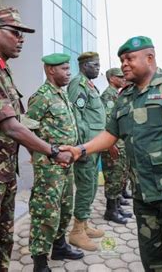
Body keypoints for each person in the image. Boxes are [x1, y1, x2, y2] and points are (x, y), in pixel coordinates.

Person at [63, 36, 162, 271]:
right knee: (152, 262)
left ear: (150, 58)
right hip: (143, 196)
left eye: (130, 58)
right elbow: (110, 134)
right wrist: (80, 149)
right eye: (122, 60)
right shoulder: (125, 95)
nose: (124, 64)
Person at [0, 7, 72, 270]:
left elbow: (21, 121)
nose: (22, 39)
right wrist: (51, 151)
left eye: (23, 34)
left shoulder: (1, 69)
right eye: (16, 33)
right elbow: (11, 127)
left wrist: (38, 148)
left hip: (1, 173)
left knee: (3, 241)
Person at [26, 53, 83, 272]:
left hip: (66, 163)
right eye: (65, 69)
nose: (69, 73)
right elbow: (27, 130)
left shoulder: (62, 94)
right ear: (51, 70)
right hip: (49, 166)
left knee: (66, 207)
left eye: (69, 69)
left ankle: (59, 246)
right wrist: (39, 156)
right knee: (45, 211)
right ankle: (39, 261)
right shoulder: (41, 96)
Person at [67, 51, 106, 251]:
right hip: (86, 147)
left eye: (99, 65)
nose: (98, 68)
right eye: (94, 65)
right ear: (83, 66)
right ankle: (76, 233)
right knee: (85, 187)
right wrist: (81, 148)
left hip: (94, 144)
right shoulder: (78, 84)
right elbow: (76, 116)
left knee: (91, 186)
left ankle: (83, 223)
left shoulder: (90, 85)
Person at [100, 67, 132, 224]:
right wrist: (110, 145)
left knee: (119, 175)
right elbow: (107, 123)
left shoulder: (116, 95)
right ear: (112, 78)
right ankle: (110, 211)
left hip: (119, 143)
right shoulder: (108, 96)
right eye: (120, 77)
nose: (123, 79)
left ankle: (117, 206)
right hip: (113, 144)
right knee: (113, 177)